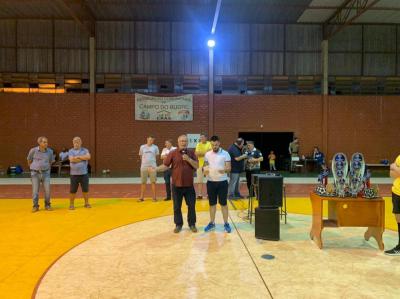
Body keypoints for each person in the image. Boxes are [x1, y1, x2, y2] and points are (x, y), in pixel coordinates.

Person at [157, 135, 199, 233]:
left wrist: (188, 159)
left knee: (192, 206)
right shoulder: (172, 153)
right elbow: (165, 165)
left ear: (187, 142)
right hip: (176, 185)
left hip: (189, 185)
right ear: (178, 142)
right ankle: (178, 224)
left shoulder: (192, 153)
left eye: (185, 141)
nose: (183, 143)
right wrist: (155, 169)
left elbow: (197, 166)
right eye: (181, 141)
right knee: (176, 206)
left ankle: (192, 224)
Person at [203, 136, 232, 233]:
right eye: (212, 145)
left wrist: (224, 170)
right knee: (212, 204)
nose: (214, 146)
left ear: (219, 143)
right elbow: (205, 166)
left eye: (216, 144)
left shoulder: (226, 154)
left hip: (222, 182)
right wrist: (204, 171)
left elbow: (229, 168)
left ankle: (226, 223)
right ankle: (212, 223)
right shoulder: (207, 154)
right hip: (210, 182)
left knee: (223, 204)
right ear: (210, 144)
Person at [27, 136, 55, 212]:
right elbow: (29, 160)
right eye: (44, 142)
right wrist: (34, 168)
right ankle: (35, 206)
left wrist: (46, 169)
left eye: (47, 142)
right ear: (39, 143)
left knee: (47, 190)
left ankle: (47, 205)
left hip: (46, 173)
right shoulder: (33, 150)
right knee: (35, 191)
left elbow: (51, 161)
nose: (46, 143)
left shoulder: (50, 151)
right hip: (35, 173)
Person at [68, 137, 91, 210]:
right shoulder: (71, 151)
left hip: (84, 174)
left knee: (85, 189)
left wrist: (77, 157)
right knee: (72, 190)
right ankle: (71, 204)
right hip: (74, 175)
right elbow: (71, 159)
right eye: (74, 141)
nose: (76, 143)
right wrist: (82, 159)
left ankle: (86, 203)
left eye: (78, 141)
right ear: (73, 142)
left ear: (81, 142)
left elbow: (88, 157)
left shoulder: (85, 150)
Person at [384, 155, 400, 256]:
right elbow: (392, 173)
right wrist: (395, 168)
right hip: (397, 192)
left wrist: (395, 167)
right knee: (398, 219)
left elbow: (394, 169)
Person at [138, 135, 159, 202]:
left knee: (153, 182)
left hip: (153, 167)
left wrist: (152, 163)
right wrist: (145, 162)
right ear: (147, 139)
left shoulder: (155, 147)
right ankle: (141, 197)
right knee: (143, 182)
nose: (151, 141)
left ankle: (154, 197)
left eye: (152, 140)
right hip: (144, 167)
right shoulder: (142, 147)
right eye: (150, 140)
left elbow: (157, 156)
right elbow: (141, 156)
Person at [195, 134, 212, 199]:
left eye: (202, 137)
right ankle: (200, 194)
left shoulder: (209, 143)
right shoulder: (198, 144)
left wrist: (201, 153)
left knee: (209, 180)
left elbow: (210, 153)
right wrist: (205, 152)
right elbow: (196, 154)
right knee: (199, 180)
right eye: (200, 137)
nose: (201, 139)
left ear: (206, 138)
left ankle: (208, 194)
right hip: (200, 164)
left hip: (208, 165)